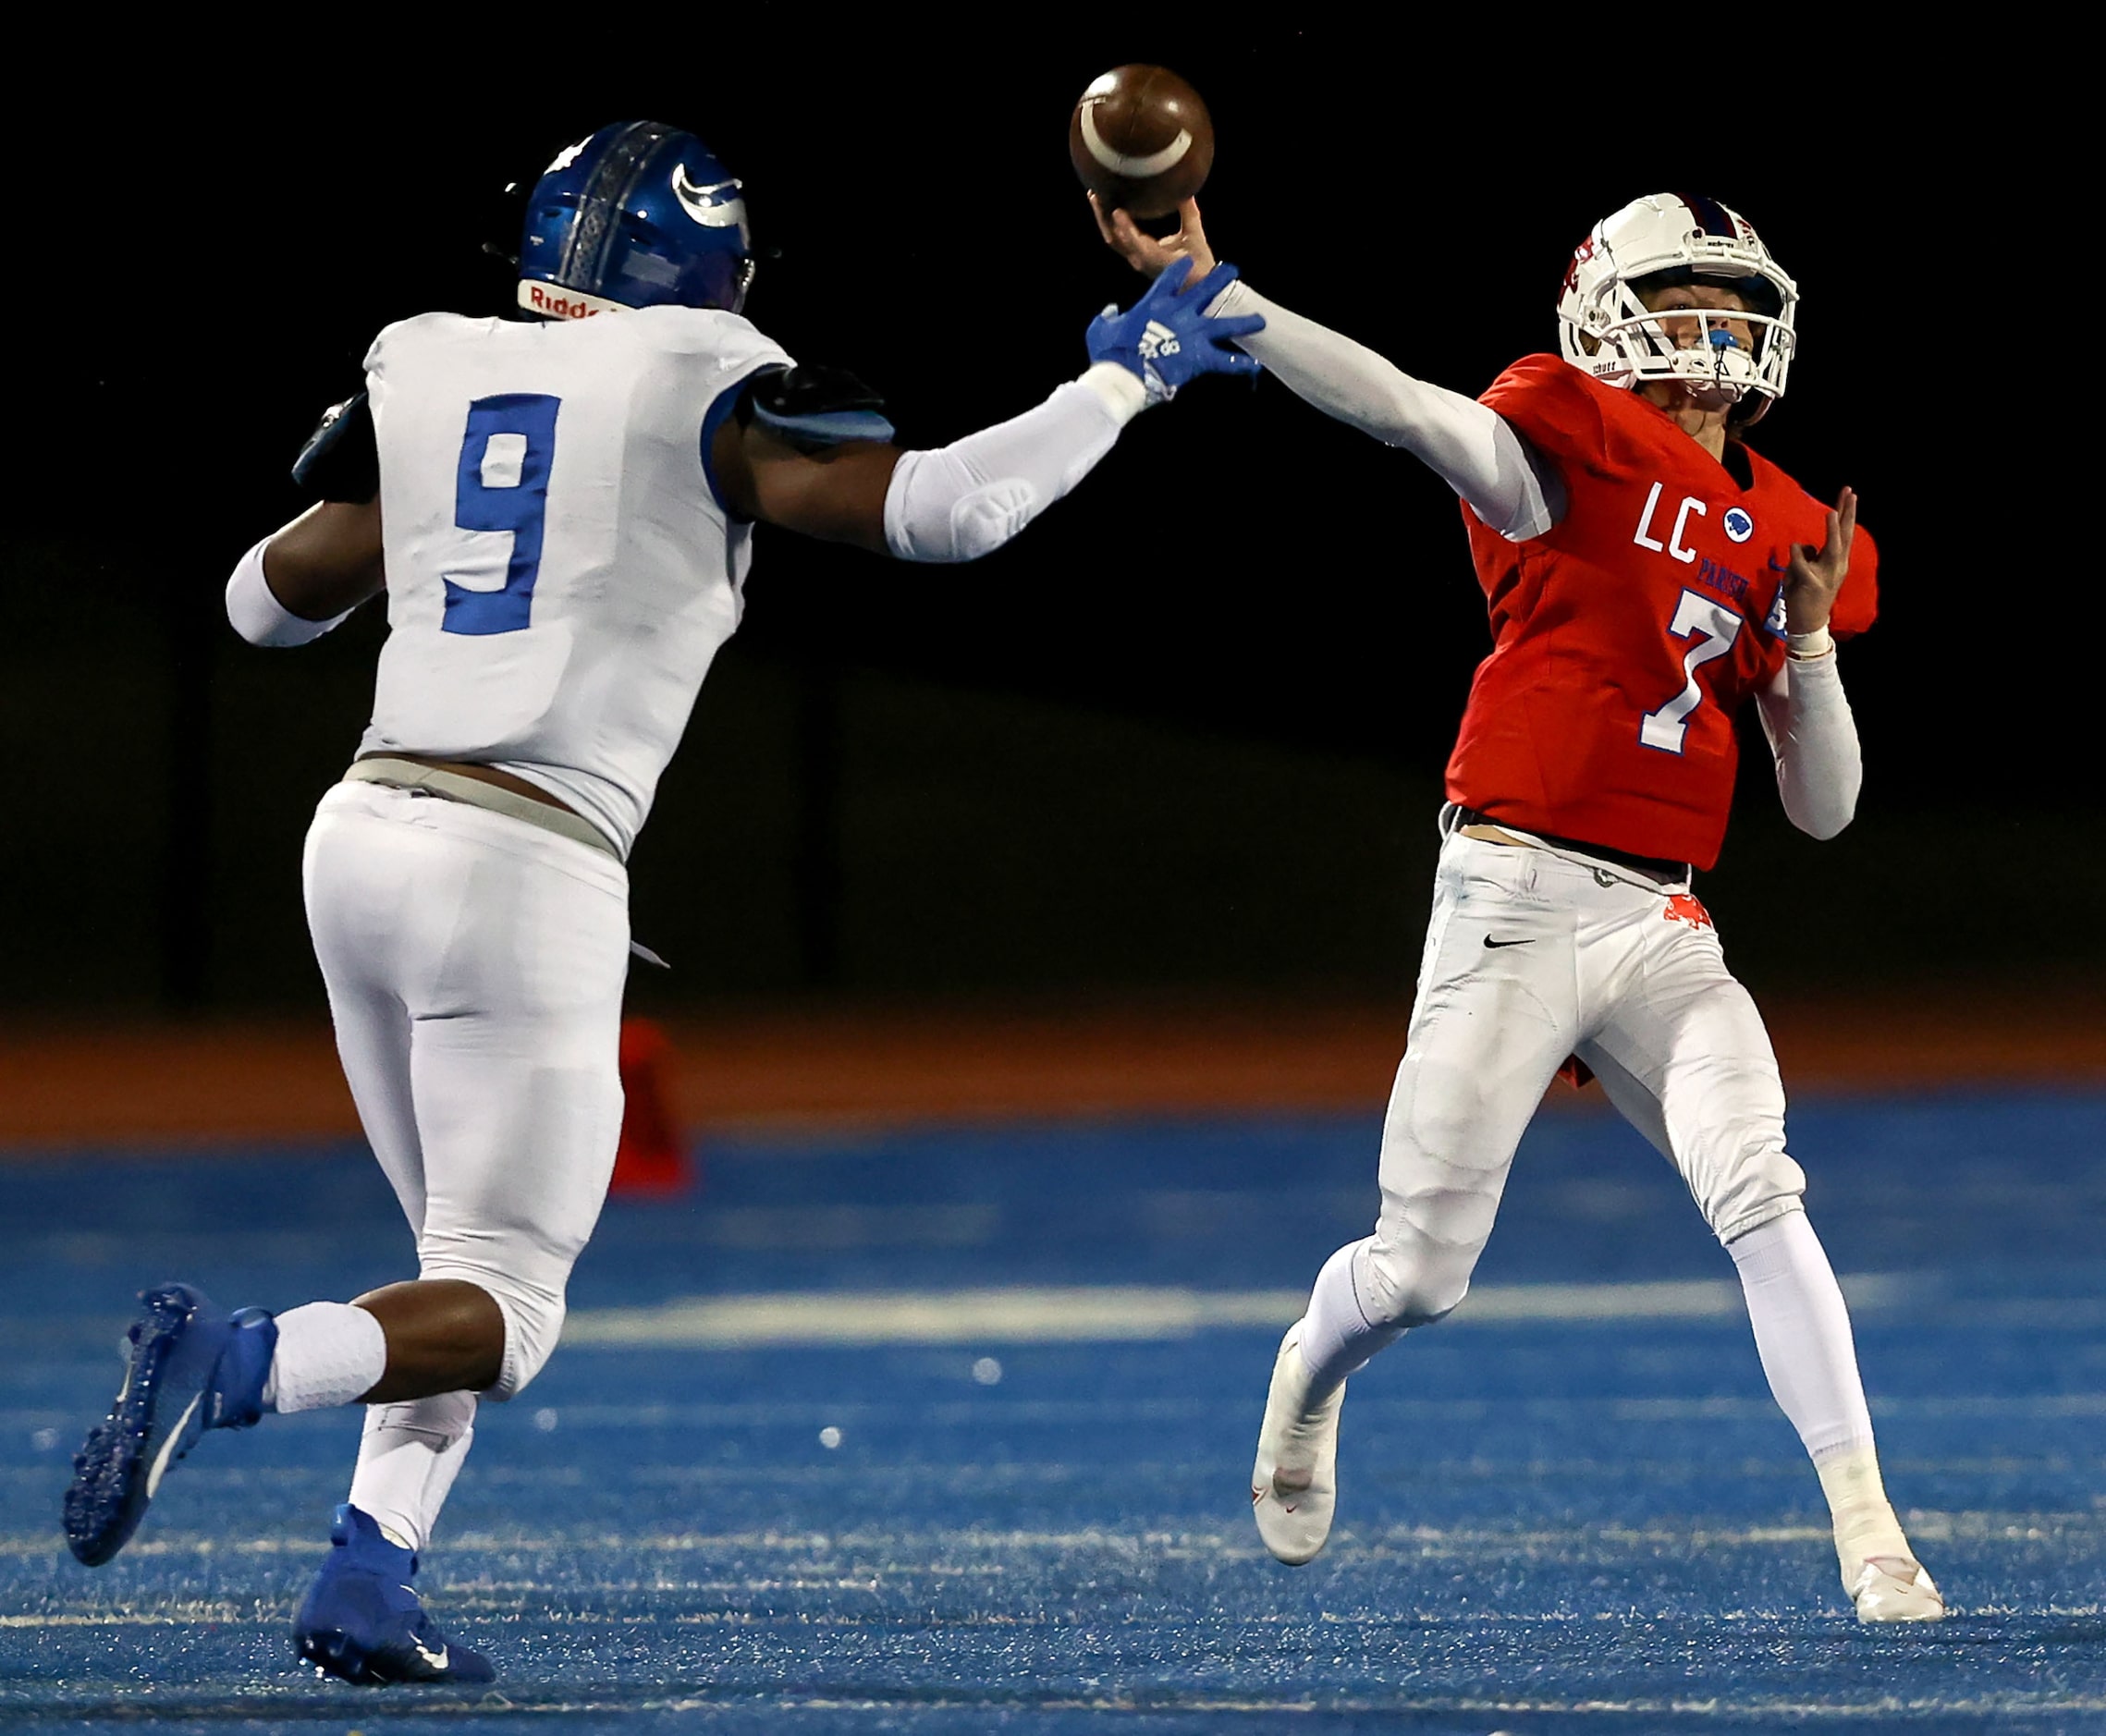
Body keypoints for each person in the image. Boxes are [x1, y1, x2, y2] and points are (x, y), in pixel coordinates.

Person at [63, 119, 1264, 1685]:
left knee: (448, 1254)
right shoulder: (703, 368)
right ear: (704, 274)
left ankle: (370, 1576)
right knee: (506, 1301)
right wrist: (1127, 378)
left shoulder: (428, 359)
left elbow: (258, 604)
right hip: (521, 854)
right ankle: (230, 1363)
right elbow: (949, 511)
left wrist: (424, 513)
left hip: (357, 835)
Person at [1096, 189, 1942, 1623]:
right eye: (1683, 299)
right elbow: (1407, 411)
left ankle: (1871, 1529)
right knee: (1420, 1275)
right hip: (1514, 889)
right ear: (1605, 312)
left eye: (1732, 305)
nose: (1715, 330)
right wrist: (1231, 300)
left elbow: (1824, 808)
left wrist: (1805, 643)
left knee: (1759, 1181)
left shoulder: (1797, 524)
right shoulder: (1565, 443)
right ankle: (1310, 1361)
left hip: (1664, 923)